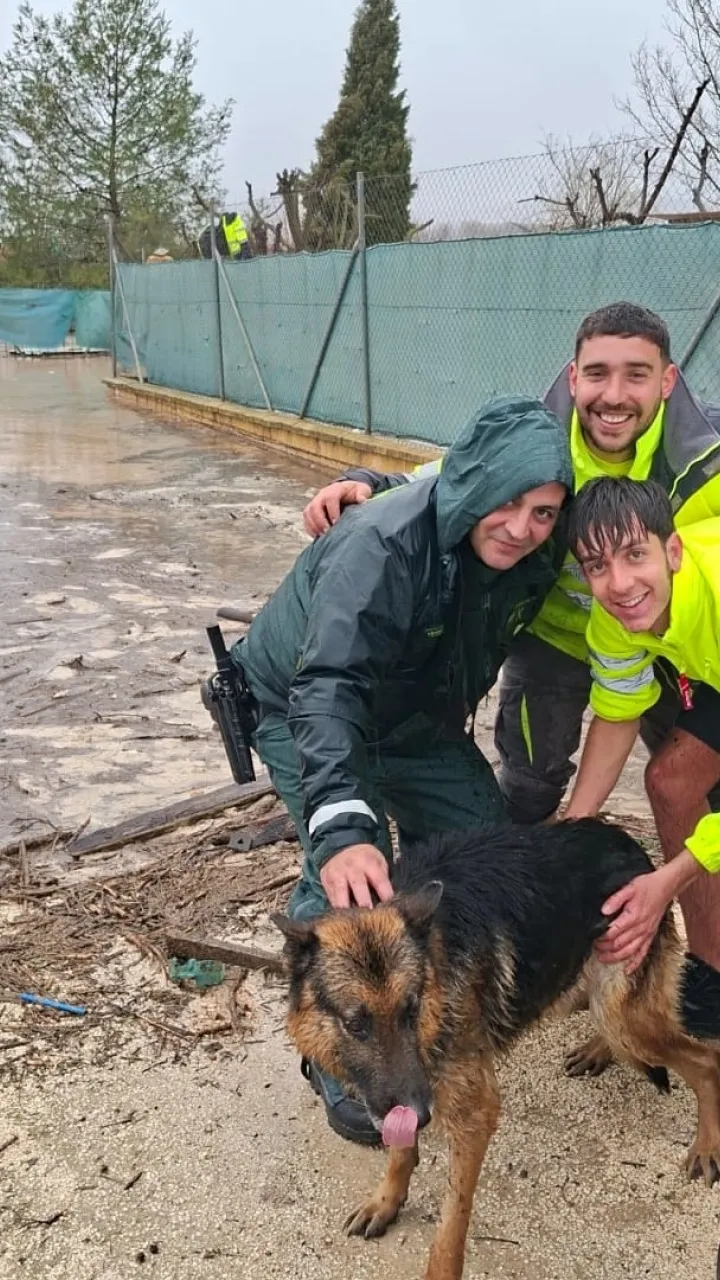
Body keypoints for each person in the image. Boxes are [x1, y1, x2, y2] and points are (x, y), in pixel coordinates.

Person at [231, 396, 572, 1144]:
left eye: (543, 512)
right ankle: (338, 1057)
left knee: (482, 840)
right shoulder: (379, 547)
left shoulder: (539, 546)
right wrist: (346, 827)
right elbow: (326, 690)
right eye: (508, 504)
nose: (522, 528)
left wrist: (367, 475)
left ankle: (422, 1003)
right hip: (301, 704)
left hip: (410, 714)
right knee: (351, 879)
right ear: (472, 485)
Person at [302, 303, 720, 828]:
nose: (613, 395)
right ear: (573, 377)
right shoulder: (536, 438)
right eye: (596, 374)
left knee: (681, 781)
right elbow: (459, 479)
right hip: (550, 634)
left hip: (663, 637)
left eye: (636, 374)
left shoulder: (709, 458)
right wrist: (371, 482)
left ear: (667, 380)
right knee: (529, 778)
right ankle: (525, 876)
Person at [563, 475, 720, 974]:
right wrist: (569, 833)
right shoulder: (616, 615)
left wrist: (668, 882)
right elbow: (617, 713)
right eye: (597, 566)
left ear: (672, 550)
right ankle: (709, 972)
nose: (621, 584)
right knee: (671, 782)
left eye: (635, 554)